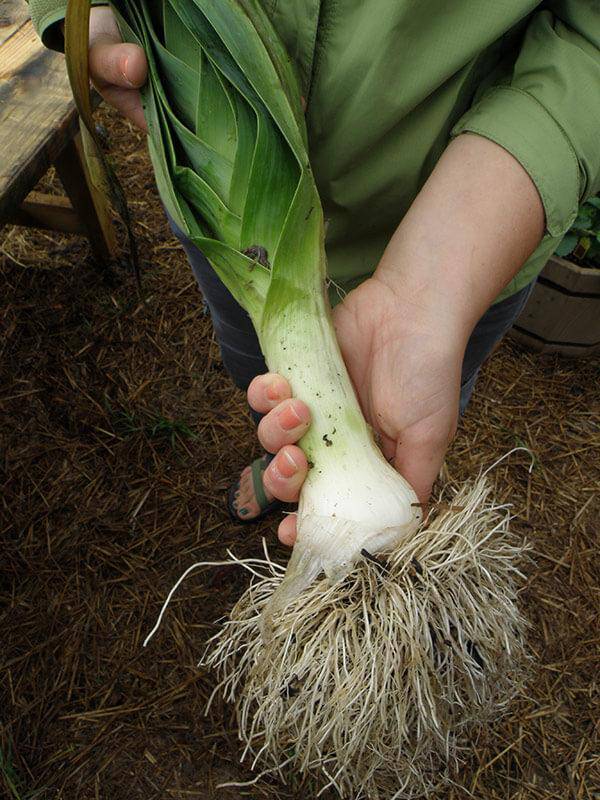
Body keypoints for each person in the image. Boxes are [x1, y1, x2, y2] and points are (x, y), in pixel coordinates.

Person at [29, 1, 600, 546]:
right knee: (260, 377)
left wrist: (433, 290)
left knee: (424, 386)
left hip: (472, 239)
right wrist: (91, 13)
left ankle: (339, 467)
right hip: (223, 220)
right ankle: (290, 462)